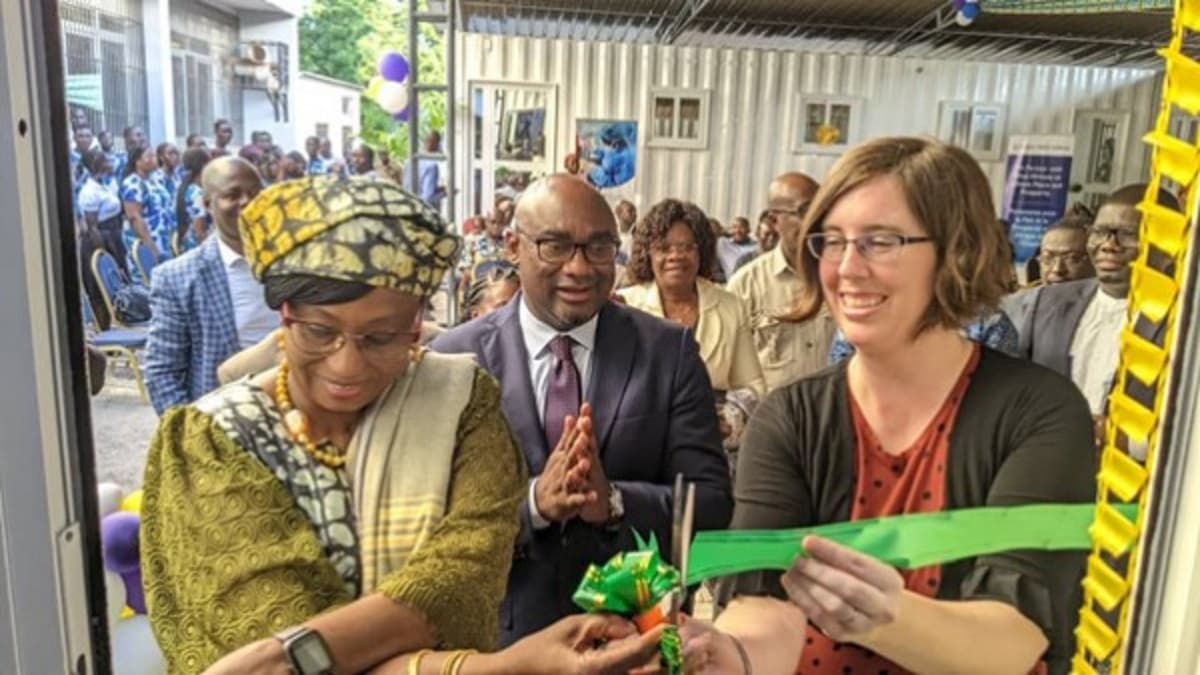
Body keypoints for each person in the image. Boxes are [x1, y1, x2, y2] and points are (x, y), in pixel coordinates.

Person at [683, 137, 1096, 675]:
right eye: (832, 242)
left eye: (880, 241)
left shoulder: (1038, 413)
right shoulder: (791, 419)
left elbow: (1015, 641)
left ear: (956, 251)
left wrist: (884, 616)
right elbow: (764, 608)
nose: (848, 268)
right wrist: (729, 655)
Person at [141, 175, 528, 674]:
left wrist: (286, 655)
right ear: (285, 313)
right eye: (321, 332)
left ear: (417, 325)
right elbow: (254, 628)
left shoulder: (461, 407)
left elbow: (464, 580)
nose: (346, 367)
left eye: (381, 338)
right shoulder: (211, 442)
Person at [430, 174, 733, 646]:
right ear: (513, 246)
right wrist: (532, 505)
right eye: (555, 246)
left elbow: (710, 506)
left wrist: (611, 501)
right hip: (496, 647)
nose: (580, 267)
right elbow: (427, 521)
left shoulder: (667, 353)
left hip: (634, 642)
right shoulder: (454, 361)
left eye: (598, 248)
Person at [1017, 184, 1175, 416]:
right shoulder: (1047, 302)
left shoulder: (1180, 320)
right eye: (1099, 232)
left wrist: (1122, 439)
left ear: (1168, 244)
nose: (1109, 245)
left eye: (1129, 234)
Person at [144, 157, 274, 414]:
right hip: (224, 420)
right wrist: (190, 437)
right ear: (208, 204)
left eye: (255, 193)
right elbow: (163, 374)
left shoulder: (296, 262)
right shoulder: (177, 278)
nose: (247, 202)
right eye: (232, 194)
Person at [621, 198, 765, 399]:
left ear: (702, 252)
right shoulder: (625, 306)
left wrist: (730, 415)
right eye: (664, 248)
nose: (675, 256)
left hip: (711, 427)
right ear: (648, 254)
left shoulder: (731, 307)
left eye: (687, 247)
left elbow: (753, 386)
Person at [727, 172, 837, 392]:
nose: (815, 221)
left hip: (831, 419)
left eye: (821, 210)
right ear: (774, 220)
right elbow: (729, 369)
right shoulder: (746, 286)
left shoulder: (840, 277)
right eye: (805, 211)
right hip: (771, 421)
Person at [1002, 217, 1095, 344]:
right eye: (1048, 258)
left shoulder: (1106, 313)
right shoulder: (1013, 307)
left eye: (1072, 258)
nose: (1057, 269)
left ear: (1095, 262)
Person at [78, 149, 126, 326]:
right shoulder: (89, 191)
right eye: (105, 161)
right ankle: (105, 328)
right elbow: (92, 227)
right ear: (95, 165)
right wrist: (103, 253)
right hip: (99, 239)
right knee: (101, 288)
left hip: (113, 235)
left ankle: (122, 321)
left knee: (119, 284)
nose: (109, 163)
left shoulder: (105, 184)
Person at [120, 144, 176, 269]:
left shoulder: (154, 180)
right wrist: (151, 248)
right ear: (137, 162)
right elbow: (134, 218)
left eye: (155, 156)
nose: (154, 159)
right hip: (147, 242)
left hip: (163, 239)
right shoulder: (132, 184)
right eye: (149, 156)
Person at [174, 147, 213, 250]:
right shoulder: (197, 193)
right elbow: (200, 231)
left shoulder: (186, 186)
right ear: (203, 165)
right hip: (197, 247)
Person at [716, 216, 757, 280]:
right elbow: (713, 232)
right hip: (730, 284)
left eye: (742, 227)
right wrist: (726, 230)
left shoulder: (755, 247)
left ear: (748, 230)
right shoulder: (722, 243)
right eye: (735, 227)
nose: (738, 230)